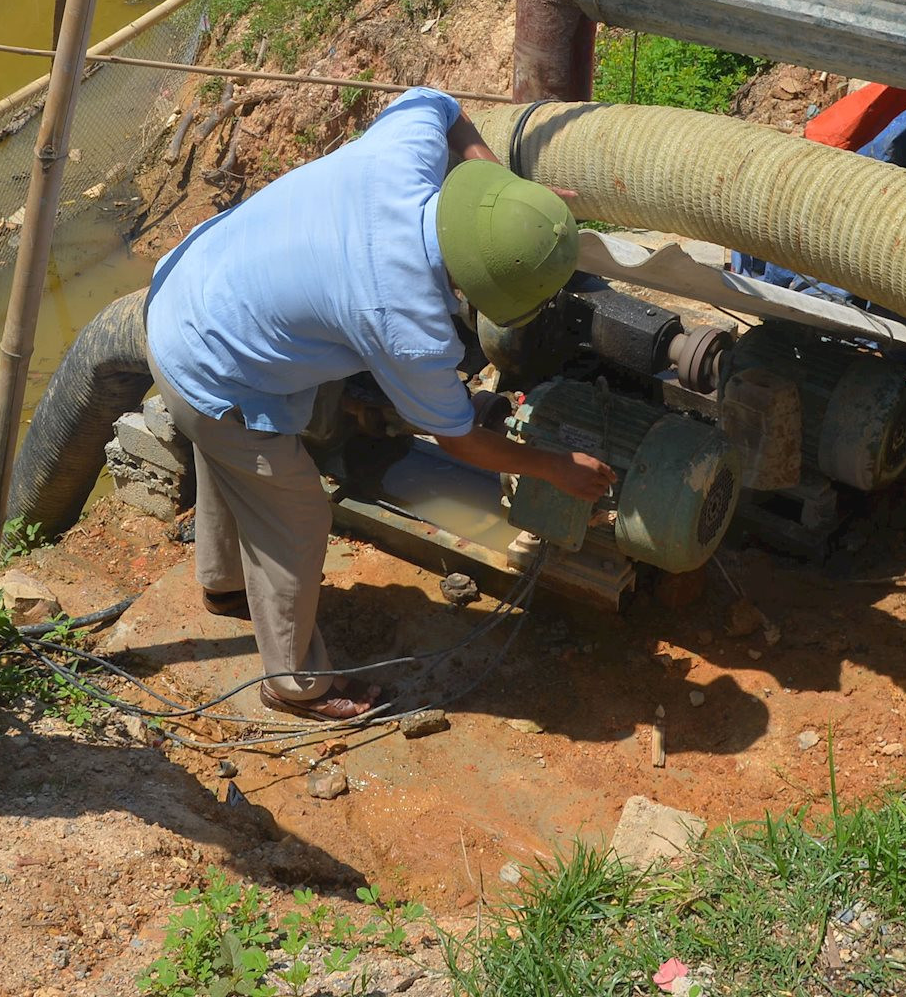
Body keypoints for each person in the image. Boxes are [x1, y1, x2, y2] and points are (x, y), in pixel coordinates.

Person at [143, 88, 617, 720]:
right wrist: (557, 468)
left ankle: (225, 583)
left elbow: (438, 104)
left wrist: (504, 193)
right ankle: (295, 686)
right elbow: (458, 441)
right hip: (206, 360)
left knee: (233, 457)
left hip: (191, 283)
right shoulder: (406, 323)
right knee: (298, 515)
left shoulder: (405, 157)